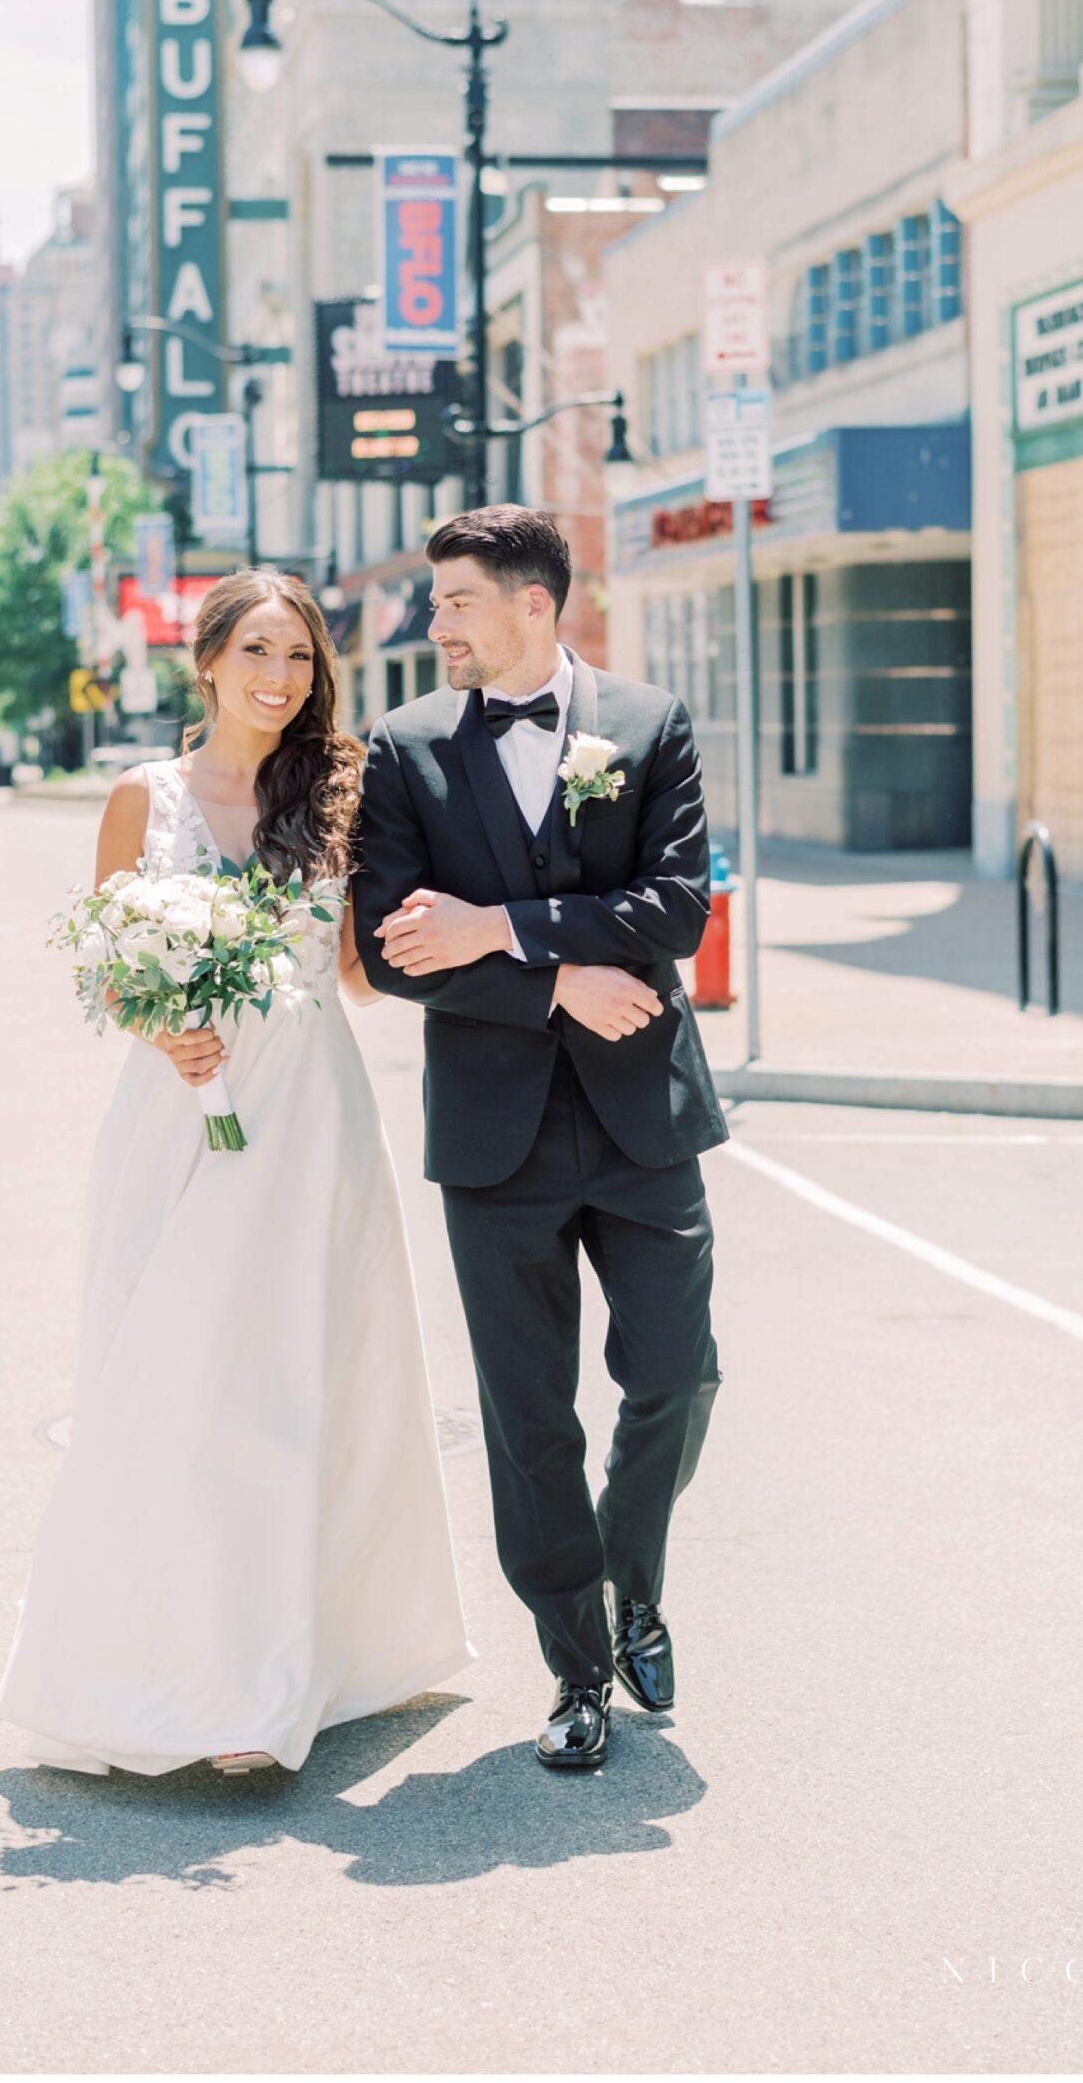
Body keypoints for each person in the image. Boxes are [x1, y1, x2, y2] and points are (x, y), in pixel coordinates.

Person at [0, 571, 473, 1777]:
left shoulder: (343, 794)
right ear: (204, 660)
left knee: (291, 1392)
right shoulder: (137, 798)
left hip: (310, 1123)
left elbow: (360, 973)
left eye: (302, 657)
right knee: (173, 1387)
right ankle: (169, 1671)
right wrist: (162, 1024)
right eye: (259, 650)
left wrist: (482, 950)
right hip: (180, 1118)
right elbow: (107, 967)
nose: (281, 676)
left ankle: (269, 1687)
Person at [352, 506, 727, 1772]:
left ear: (531, 604)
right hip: (492, 1134)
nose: (434, 621)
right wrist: (556, 975)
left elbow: (676, 909)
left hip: (642, 1115)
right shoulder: (400, 749)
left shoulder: (648, 721)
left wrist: (506, 929)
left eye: (454, 599)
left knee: (676, 1371)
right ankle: (573, 1668)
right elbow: (396, 948)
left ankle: (633, 1586)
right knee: (528, 1418)